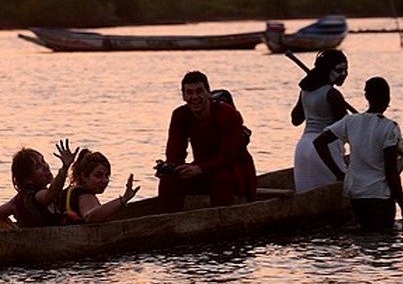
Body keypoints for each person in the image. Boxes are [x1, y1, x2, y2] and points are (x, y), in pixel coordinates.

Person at [313, 77, 403, 232]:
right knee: (384, 246)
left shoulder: (351, 121)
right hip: (379, 196)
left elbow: (319, 142)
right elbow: (391, 172)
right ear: (388, 99)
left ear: (366, 97)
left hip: (356, 195)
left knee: (365, 243)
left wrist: (339, 174)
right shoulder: (390, 128)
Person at [157, 71, 257, 213]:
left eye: (199, 91)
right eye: (189, 93)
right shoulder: (180, 115)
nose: (195, 97)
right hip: (202, 171)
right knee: (169, 179)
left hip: (234, 171)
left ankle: (222, 221)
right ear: (184, 96)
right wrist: (171, 168)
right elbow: (175, 152)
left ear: (208, 93)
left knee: (221, 178)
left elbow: (228, 158)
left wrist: (199, 169)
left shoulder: (227, 114)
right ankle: (168, 222)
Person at [291, 49, 352, 192]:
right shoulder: (333, 95)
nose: (344, 75)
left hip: (303, 148)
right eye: (339, 70)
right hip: (326, 150)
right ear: (327, 70)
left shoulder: (305, 91)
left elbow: (295, 119)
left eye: (346, 70)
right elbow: (345, 130)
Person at [0, 139, 77, 227]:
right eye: (37, 167)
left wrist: (15, 229)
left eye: (43, 161)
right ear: (28, 179)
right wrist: (64, 168)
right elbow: (51, 194)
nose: (45, 167)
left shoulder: (15, 202)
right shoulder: (38, 196)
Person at [56, 149, 139, 223]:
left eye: (107, 176)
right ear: (84, 176)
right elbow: (90, 217)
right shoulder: (85, 195)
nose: (105, 180)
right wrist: (123, 199)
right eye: (98, 175)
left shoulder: (68, 192)